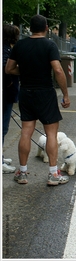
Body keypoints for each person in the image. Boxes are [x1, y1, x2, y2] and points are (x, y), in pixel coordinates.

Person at [5, 14, 71, 185]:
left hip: (26, 92)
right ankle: (53, 174)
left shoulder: (20, 45)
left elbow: (9, 69)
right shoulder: (50, 45)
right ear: (46, 28)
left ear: (31, 28)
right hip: (45, 93)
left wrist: (26, 72)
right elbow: (57, 70)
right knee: (51, 133)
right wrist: (65, 94)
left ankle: (22, 172)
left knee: (26, 131)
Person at [2, 24, 20, 173]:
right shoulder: (6, 50)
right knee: (2, 128)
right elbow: (6, 69)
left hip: (6, 94)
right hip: (5, 94)